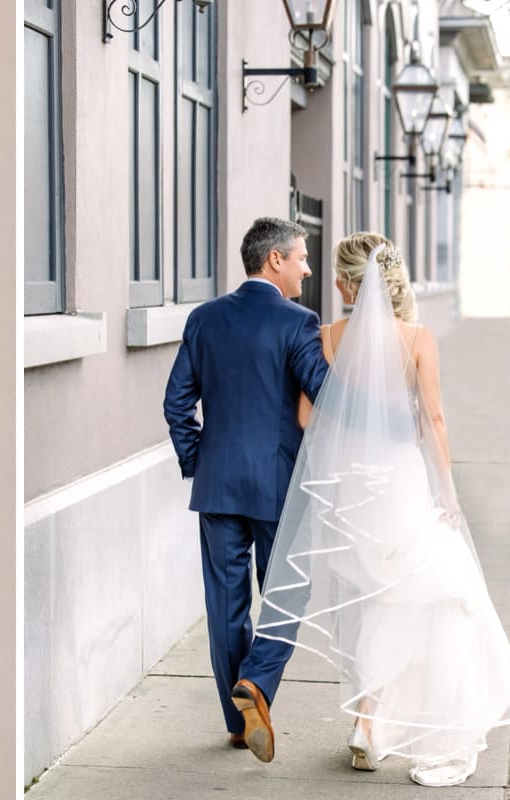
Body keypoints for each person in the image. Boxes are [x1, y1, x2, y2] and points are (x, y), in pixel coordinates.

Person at [254, 232, 510, 787]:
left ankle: (368, 721)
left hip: (350, 486)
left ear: (345, 283)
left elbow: (307, 419)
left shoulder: (327, 337)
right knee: (421, 596)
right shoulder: (417, 338)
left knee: (361, 595)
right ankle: (388, 723)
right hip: (401, 479)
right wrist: (446, 491)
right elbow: (433, 419)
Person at [163, 217, 329, 763]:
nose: (307, 266)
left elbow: (176, 404)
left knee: (225, 605)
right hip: (277, 487)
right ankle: (256, 682)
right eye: (301, 257)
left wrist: (199, 461)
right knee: (289, 589)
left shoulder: (204, 319)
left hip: (216, 486)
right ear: (274, 260)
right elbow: (325, 395)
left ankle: (238, 723)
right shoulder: (298, 322)